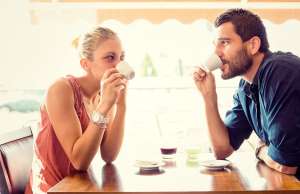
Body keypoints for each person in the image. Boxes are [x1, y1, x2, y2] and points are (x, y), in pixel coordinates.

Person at [193, 8, 300, 175]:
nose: (216, 53)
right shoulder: (246, 87)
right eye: (215, 45)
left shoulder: (279, 72)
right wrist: (209, 97)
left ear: (253, 45)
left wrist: (260, 150)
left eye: (225, 42)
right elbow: (222, 150)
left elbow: (285, 165)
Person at [25, 26, 128, 194]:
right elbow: (79, 162)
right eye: (110, 58)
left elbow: (109, 155)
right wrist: (104, 108)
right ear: (85, 64)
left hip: (81, 187)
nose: (119, 65)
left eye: (121, 57)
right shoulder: (61, 89)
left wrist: (121, 103)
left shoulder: (103, 97)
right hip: (53, 189)